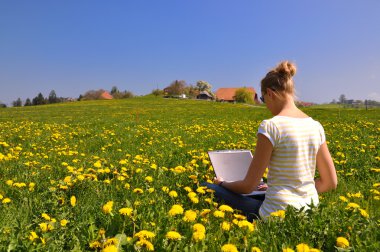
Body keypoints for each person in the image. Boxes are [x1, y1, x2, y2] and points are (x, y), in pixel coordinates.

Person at [204, 61, 337, 220]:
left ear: (270, 93)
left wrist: (222, 183)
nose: (265, 104)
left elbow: (248, 186)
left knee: (206, 187)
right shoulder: (316, 126)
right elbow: (330, 182)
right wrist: (284, 190)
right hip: (309, 212)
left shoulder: (271, 126)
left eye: (263, 98)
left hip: (276, 214)